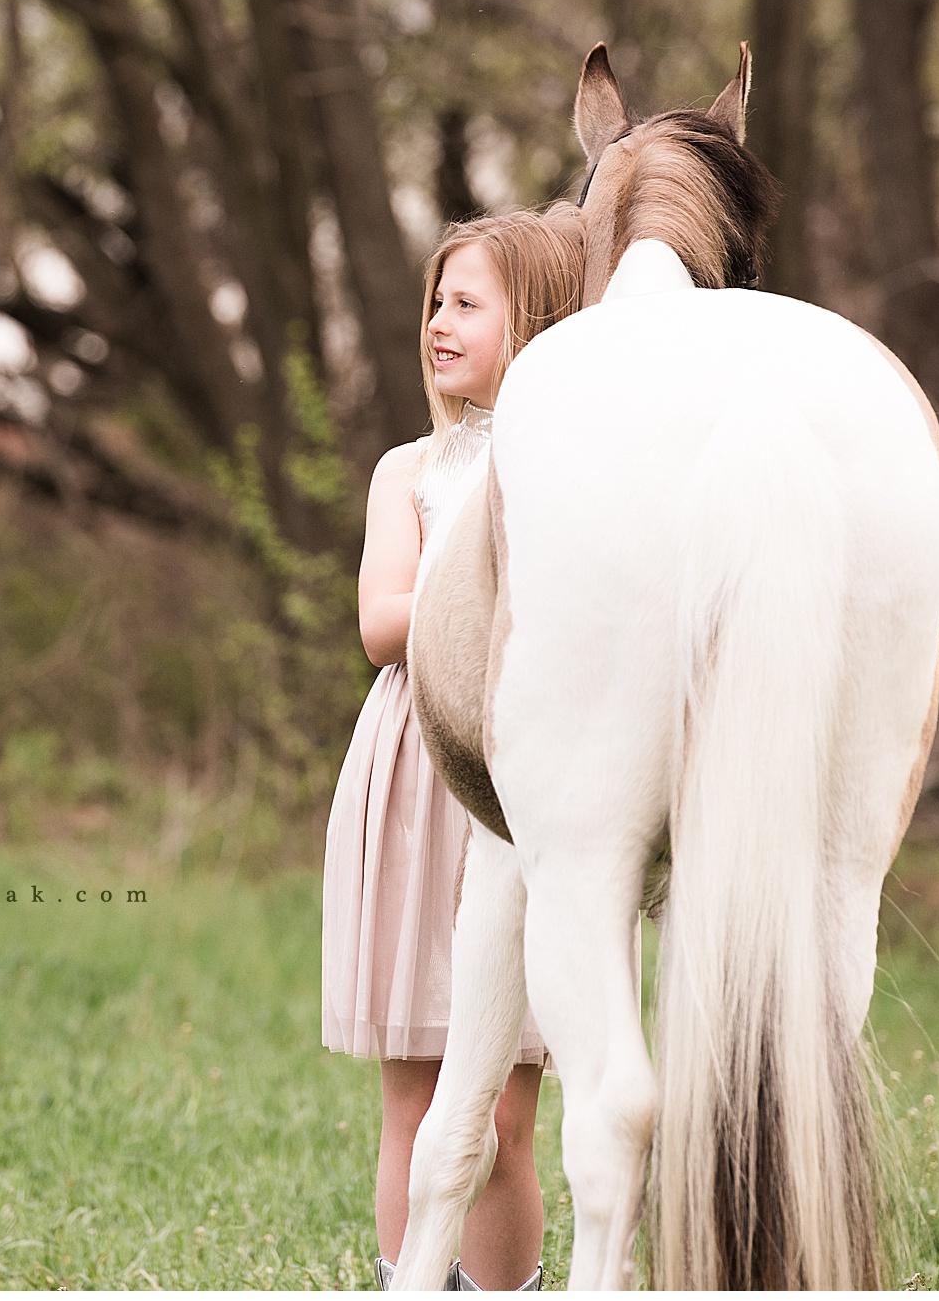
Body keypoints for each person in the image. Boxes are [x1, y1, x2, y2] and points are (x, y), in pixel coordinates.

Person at [322, 203, 584, 1292]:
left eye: (466, 304)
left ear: (534, 322)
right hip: (412, 768)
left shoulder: (571, 469)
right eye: (436, 301)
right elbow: (381, 622)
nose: (437, 322)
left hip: (515, 778)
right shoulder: (411, 469)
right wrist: (479, 576)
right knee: (417, 1096)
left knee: (504, 1113)